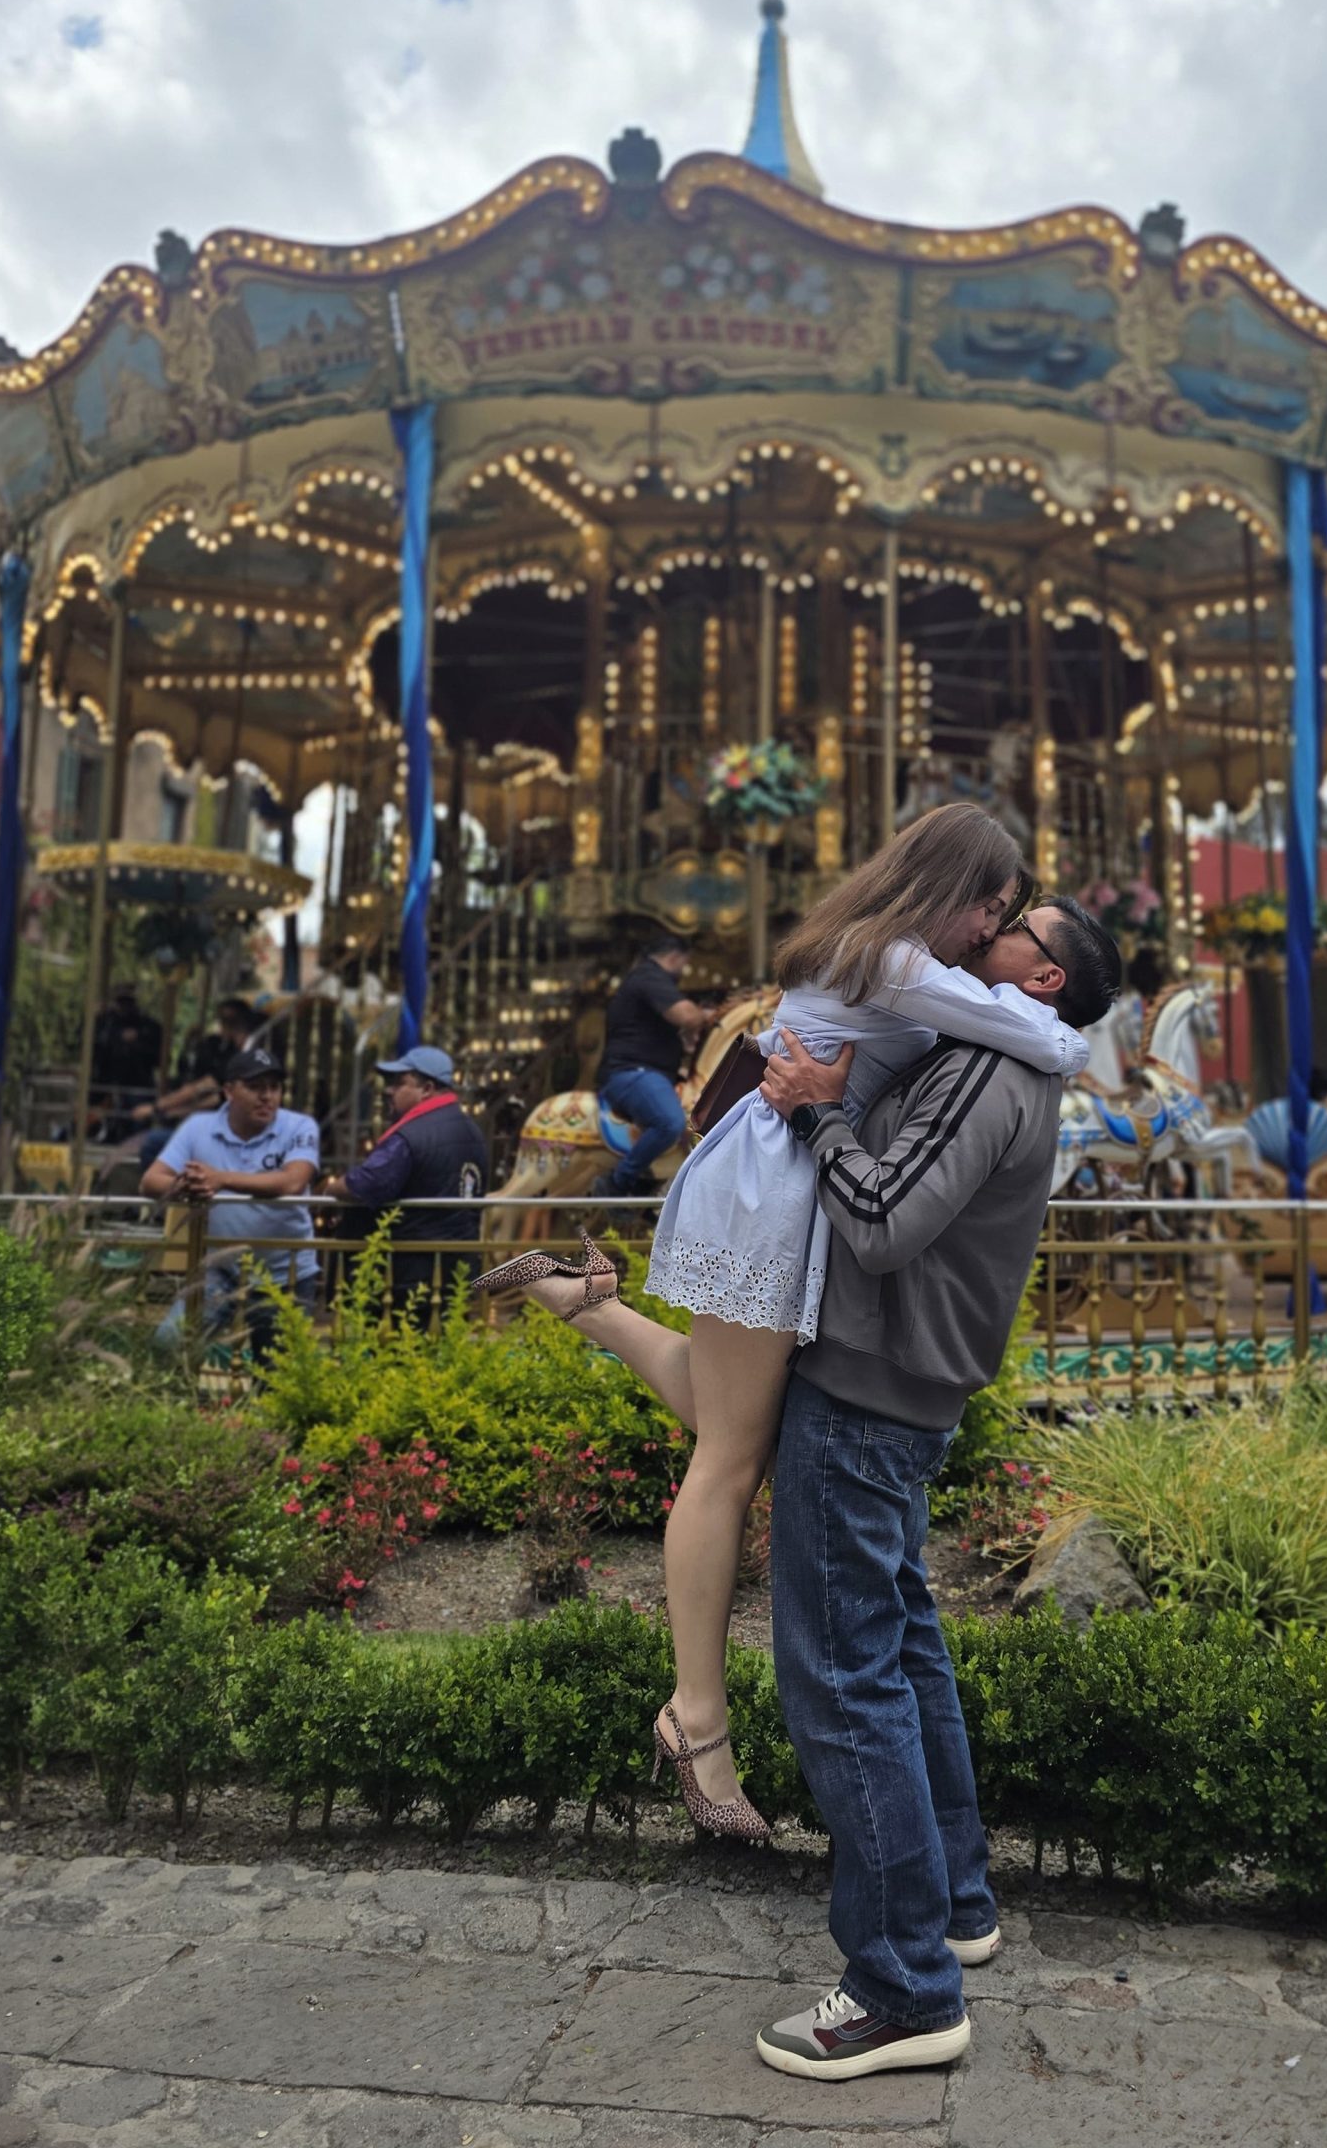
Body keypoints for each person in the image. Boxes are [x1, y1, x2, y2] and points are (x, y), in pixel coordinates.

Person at [477, 803, 1090, 1840]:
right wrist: (1067, 1021)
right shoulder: (895, 960)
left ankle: (586, 1301)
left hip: (785, 1181)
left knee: (731, 1421)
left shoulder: (880, 947)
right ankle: (696, 1722)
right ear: (951, 886)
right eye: (992, 905)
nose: (992, 928)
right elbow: (1044, 1040)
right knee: (729, 1458)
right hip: (775, 1188)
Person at [752, 892, 1122, 2080]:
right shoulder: (1002, 1057)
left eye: (1016, 926)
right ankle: (953, 1905)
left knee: (842, 1677)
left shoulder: (985, 1066)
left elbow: (879, 1219)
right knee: (900, 1646)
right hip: (904, 1385)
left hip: (868, 1389)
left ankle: (902, 1987)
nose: (985, 933)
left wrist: (817, 1115)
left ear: (1045, 977)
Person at [140, 1045, 320, 1355]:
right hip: (221, 1268)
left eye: (274, 1087)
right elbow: (150, 1181)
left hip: (284, 1274)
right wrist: (189, 1184)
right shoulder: (198, 1127)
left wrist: (221, 1179)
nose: (267, 1096)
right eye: (255, 1087)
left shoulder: (299, 1126)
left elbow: (293, 1181)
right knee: (168, 1345)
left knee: (275, 1374)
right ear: (228, 1091)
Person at [325, 1044, 489, 1317]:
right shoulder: (472, 1130)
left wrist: (332, 1187)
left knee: (400, 1343)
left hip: (409, 1277)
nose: (389, 1090)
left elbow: (367, 1184)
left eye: (399, 1083)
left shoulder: (411, 1135)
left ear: (427, 1089)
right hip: (457, 1270)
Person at [591, 938, 717, 1199]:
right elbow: (686, 1016)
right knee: (670, 1122)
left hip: (649, 1072)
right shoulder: (649, 976)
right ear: (674, 957)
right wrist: (704, 1015)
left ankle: (651, 1181)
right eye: (684, 963)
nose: (683, 970)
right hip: (633, 1072)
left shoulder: (644, 979)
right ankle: (619, 1182)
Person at [131, 994, 258, 1165]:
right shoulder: (226, 1050)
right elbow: (213, 1099)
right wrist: (172, 1112)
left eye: (223, 1022)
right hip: (214, 1123)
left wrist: (156, 1108)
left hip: (227, 1131)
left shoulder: (242, 1056)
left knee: (151, 1143)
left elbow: (206, 1087)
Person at [90, 985, 164, 1140]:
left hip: (138, 1085)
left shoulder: (148, 1026)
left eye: (128, 1002)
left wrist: (137, 1042)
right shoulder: (104, 1023)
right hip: (107, 1085)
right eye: (121, 1002)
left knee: (136, 1128)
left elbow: (158, 1058)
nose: (124, 1007)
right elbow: (96, 1051)